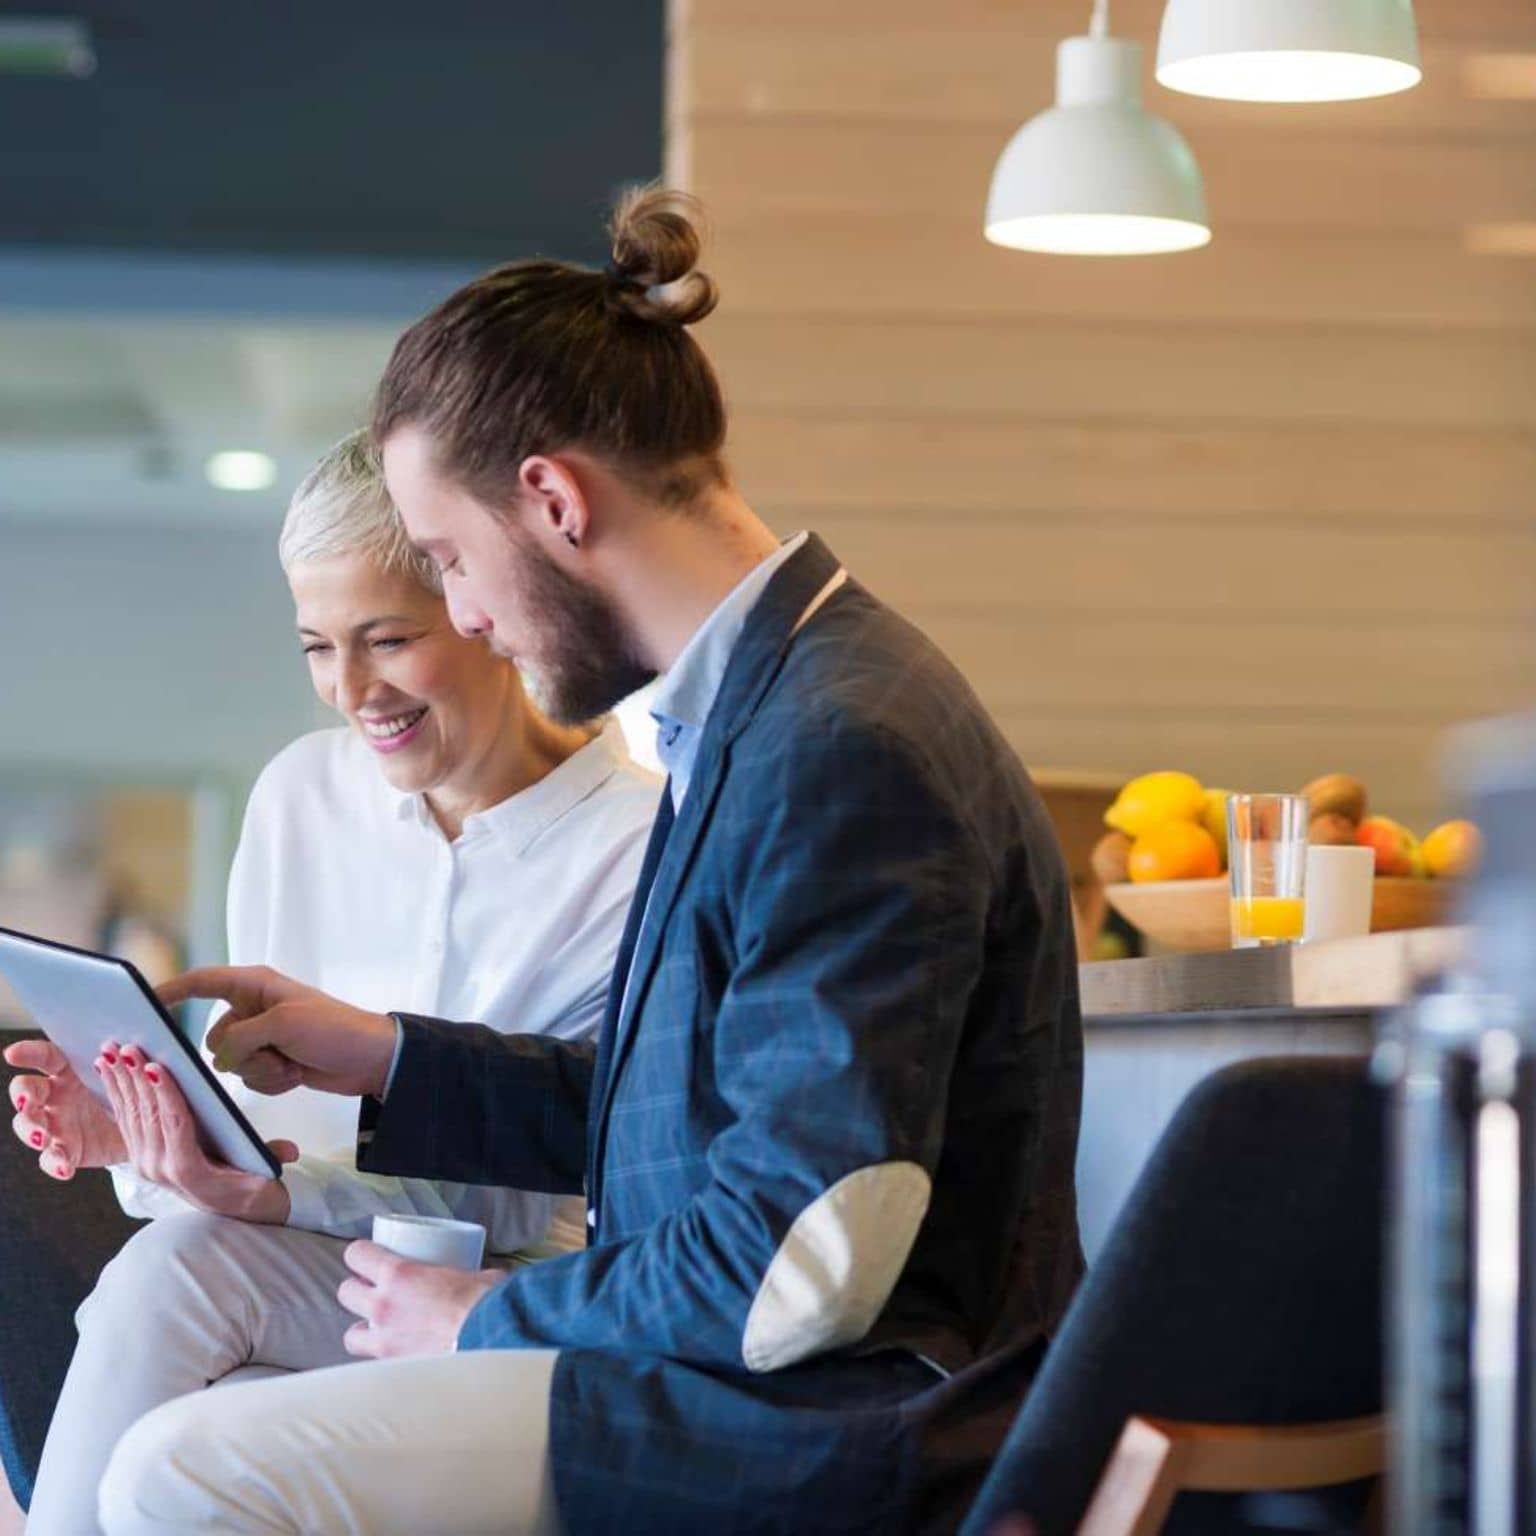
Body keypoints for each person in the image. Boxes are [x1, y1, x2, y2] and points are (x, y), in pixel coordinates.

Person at [95, 186, 1085, 1536]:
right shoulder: (770, 700)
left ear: (551, 500)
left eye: (448, 560)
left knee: (187, 1472)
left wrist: (497, 1314)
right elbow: (667, 1118)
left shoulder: (838, 742)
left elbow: (807, 1255)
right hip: (730, 1369)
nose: (465, 616)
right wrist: (389, 1057)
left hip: (822, 1421)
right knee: (184, 1281)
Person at [5, 432, 659, 1534]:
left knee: (186, 1350)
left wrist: (269, 1194)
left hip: (495, 1313)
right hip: (282, 1274)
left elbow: (518, 1201)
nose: (351, 691)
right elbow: (254, 1144)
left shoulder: (636, 850)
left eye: (387, 639)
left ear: (482, 603)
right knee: (185, 1300)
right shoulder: (301, 797)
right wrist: (147, 1136)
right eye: (317, 647)